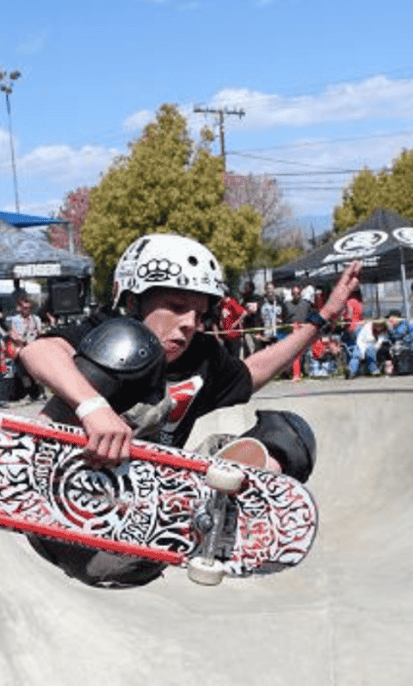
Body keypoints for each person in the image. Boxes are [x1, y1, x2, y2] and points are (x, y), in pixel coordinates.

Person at [18, 233, 362, 587]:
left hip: (138, 537)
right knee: (127, 345)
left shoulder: (203, 356)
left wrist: (322, 317)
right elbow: (37, 352)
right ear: (135, 301)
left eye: (198, 314)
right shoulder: (103, 329)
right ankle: (39, 464)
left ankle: (202, 523)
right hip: (67, 514)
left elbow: (253, 372)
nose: (189, 323)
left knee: (290, 436)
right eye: (176, 306)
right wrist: (93, 408)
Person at [9, 296, 44, 401]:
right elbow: (12, 333)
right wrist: (18, 338)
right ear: (20, 308)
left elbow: (40, 333)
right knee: (23, 373)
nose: (27, 310)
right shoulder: (15, 319)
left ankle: (39, 392)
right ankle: (28, 392)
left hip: (33, 348)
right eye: (25, 308)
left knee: (36, 371)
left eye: (29, 308)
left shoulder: (35, 319)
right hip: (21, 349)